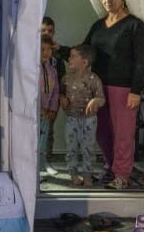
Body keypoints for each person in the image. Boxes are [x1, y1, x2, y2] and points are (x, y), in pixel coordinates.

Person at [83, 0, 144, 190]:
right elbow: (84, 52)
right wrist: (58, 48)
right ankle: (111, 166)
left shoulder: (135, 26)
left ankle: (122, 175)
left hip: (123, 89)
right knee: (101, 131)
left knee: (123, 133)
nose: (107, 1)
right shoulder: (97, 25)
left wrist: (136, 91)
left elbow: (141, 61)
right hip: (98, 88)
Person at [60, 44, 105, 187]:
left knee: (88, 148)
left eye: (73, 56)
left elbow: (102, 99)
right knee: (71, 148)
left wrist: (95, 100)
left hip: (89, 120)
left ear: (84, 62)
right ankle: (73, 174)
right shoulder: (66, 79)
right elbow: (61, 93)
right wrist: (62, 98)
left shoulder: (94, 79)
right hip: (71, 119)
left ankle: (87, 175)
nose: (69, 58)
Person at [41, 16, 71, 160]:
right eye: (43, 30)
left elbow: (61, 78)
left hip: (52, 101)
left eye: (50, 30)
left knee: (49, 131)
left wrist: (61, 97)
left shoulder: (57, 54)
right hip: (37, 104)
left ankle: (46, 161)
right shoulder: (32, 53)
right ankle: (34, 164)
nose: (47, 33)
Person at [39, 35, 60, 176]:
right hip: (35, 113)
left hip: (46, 113)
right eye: (42, 49)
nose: (46, 53)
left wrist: (52, 109)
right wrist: (38, 109)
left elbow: (55, 91)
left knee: (43, 141)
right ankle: (31, 167)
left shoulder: (52, 70)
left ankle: (42, 164)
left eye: (48, 49)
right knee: (31, 142)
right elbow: (29, 93)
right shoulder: (31, 70)